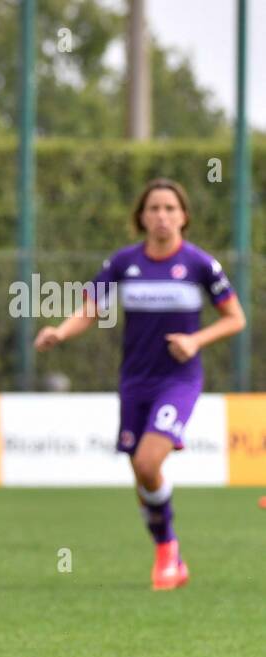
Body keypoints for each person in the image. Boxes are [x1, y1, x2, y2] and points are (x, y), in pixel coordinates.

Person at [35, 177, 244, 590]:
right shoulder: (124, 263)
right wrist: (61, 331)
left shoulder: (201, 265)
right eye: (154, 209)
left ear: (184, 217)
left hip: (179, 380)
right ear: (142, 217)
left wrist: (195, 341)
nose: (162, 216)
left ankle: (167, 550)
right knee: (140, 471)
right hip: (135, 380)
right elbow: (91, 308)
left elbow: (236, 318)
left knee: (149, 462)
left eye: (170, 208)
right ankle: (169, 553)